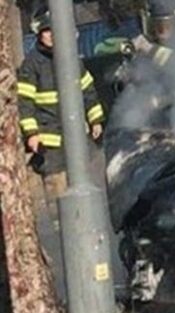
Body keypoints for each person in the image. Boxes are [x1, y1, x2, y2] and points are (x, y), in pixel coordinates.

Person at [17, 7, 106, 227]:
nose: (52, 35)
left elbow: (88, 91)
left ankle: (91, 225)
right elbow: (24, 103)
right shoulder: (32, 64)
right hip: (50, 142)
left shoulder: (73, 59)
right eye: (47, 31)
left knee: (92, 178)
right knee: (56, 187)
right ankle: (62, 231)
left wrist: (95, 120)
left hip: (77, 137)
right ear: (40, 33)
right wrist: (31, 134)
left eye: (55, 29)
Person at [117, 0, 175, 128]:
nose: (161, 31)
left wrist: (148, 48)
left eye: (167, 25)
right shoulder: (146, 51)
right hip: (155, 120)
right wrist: (128, 76)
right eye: (156, 25)